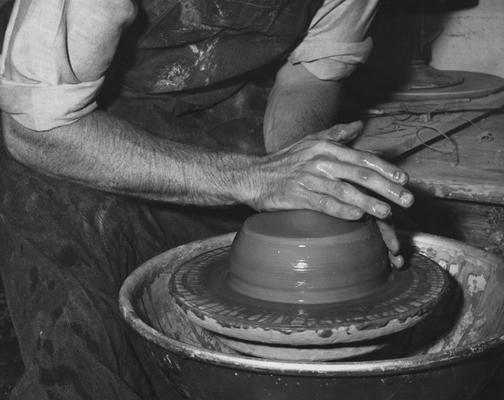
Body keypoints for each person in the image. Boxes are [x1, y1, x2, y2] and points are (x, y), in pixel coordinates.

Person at [0, 0, 414, 399]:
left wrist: (309, 178)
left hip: (227, 107)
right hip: (76, 125)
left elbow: (309, 76)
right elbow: (34, 130)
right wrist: (246, 177)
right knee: (88, 317)